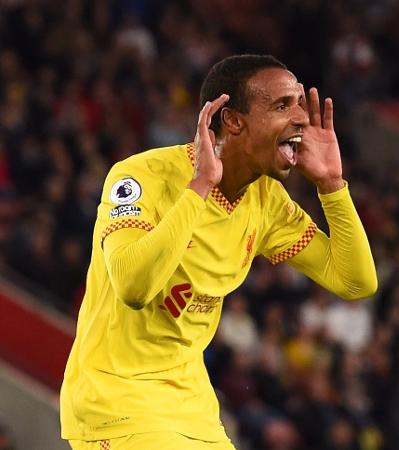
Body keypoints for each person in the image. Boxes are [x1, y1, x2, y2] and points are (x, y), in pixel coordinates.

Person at [60, 54, 377, 450]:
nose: (300, 118)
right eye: (282, 105)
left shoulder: (266, 202)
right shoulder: (141, 176)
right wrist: (199, 189)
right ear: (233, 120)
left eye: (299, 103)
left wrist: (332, 185)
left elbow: (355, 281)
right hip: (118, 405)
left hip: (193, 411)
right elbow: (133, 287)